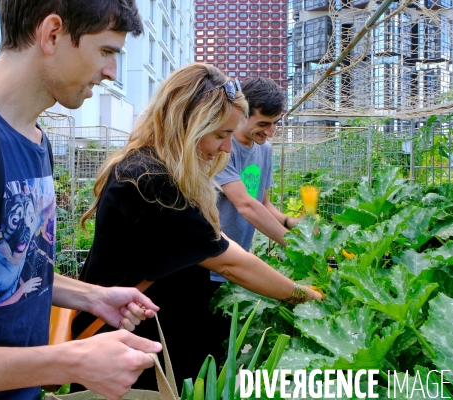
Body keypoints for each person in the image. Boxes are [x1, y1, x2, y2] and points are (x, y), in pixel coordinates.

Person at [0, 1, 163, 399]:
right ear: (52, 34)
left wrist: (93, 297)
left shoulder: (36, 140)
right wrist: (69, 361)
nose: (111, 71)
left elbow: (0, 268)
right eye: (107, 51)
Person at [74, 63, 322, 391]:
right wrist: (303, 295)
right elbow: (230, 262)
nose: (226, 148)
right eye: (221, 134)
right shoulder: (150, 181)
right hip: (130, 343)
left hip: (151, 331)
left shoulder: (156, 169)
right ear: (188, 124)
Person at [215, 77, 298, 259]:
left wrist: (289, 222)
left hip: (240, 254)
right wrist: (300, 246)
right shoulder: (221, 148)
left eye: (275, 123)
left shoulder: (264, 148)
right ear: (242, 114)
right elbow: (246, 205)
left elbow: (261, 202)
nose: (270, 132)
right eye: (262, 124)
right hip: (211, 257)